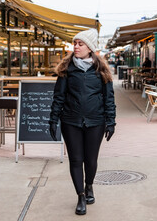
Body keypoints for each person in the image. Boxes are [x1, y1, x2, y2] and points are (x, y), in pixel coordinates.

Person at [48, 29, 116, 216]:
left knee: (91, 160)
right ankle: (80, 196)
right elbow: (58, 97)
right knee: (76, 160)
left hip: (96, 121)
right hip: (71, 121)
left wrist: (111, 122)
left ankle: (89, 185)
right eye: (75, 43)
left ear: (90, 48)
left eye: (80, 44)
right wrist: (53, 120)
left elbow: (109, 98)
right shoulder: (66, 69)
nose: (76, 47)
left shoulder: (101, 70)